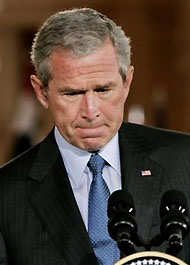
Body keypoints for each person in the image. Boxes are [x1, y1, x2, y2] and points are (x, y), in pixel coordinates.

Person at [0, 7, 190, 265]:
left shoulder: (184, 161)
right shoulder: (6, 195)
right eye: (72, 94)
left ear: (127, 83)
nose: (91, 112)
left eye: (103, 90)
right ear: (41, 92)